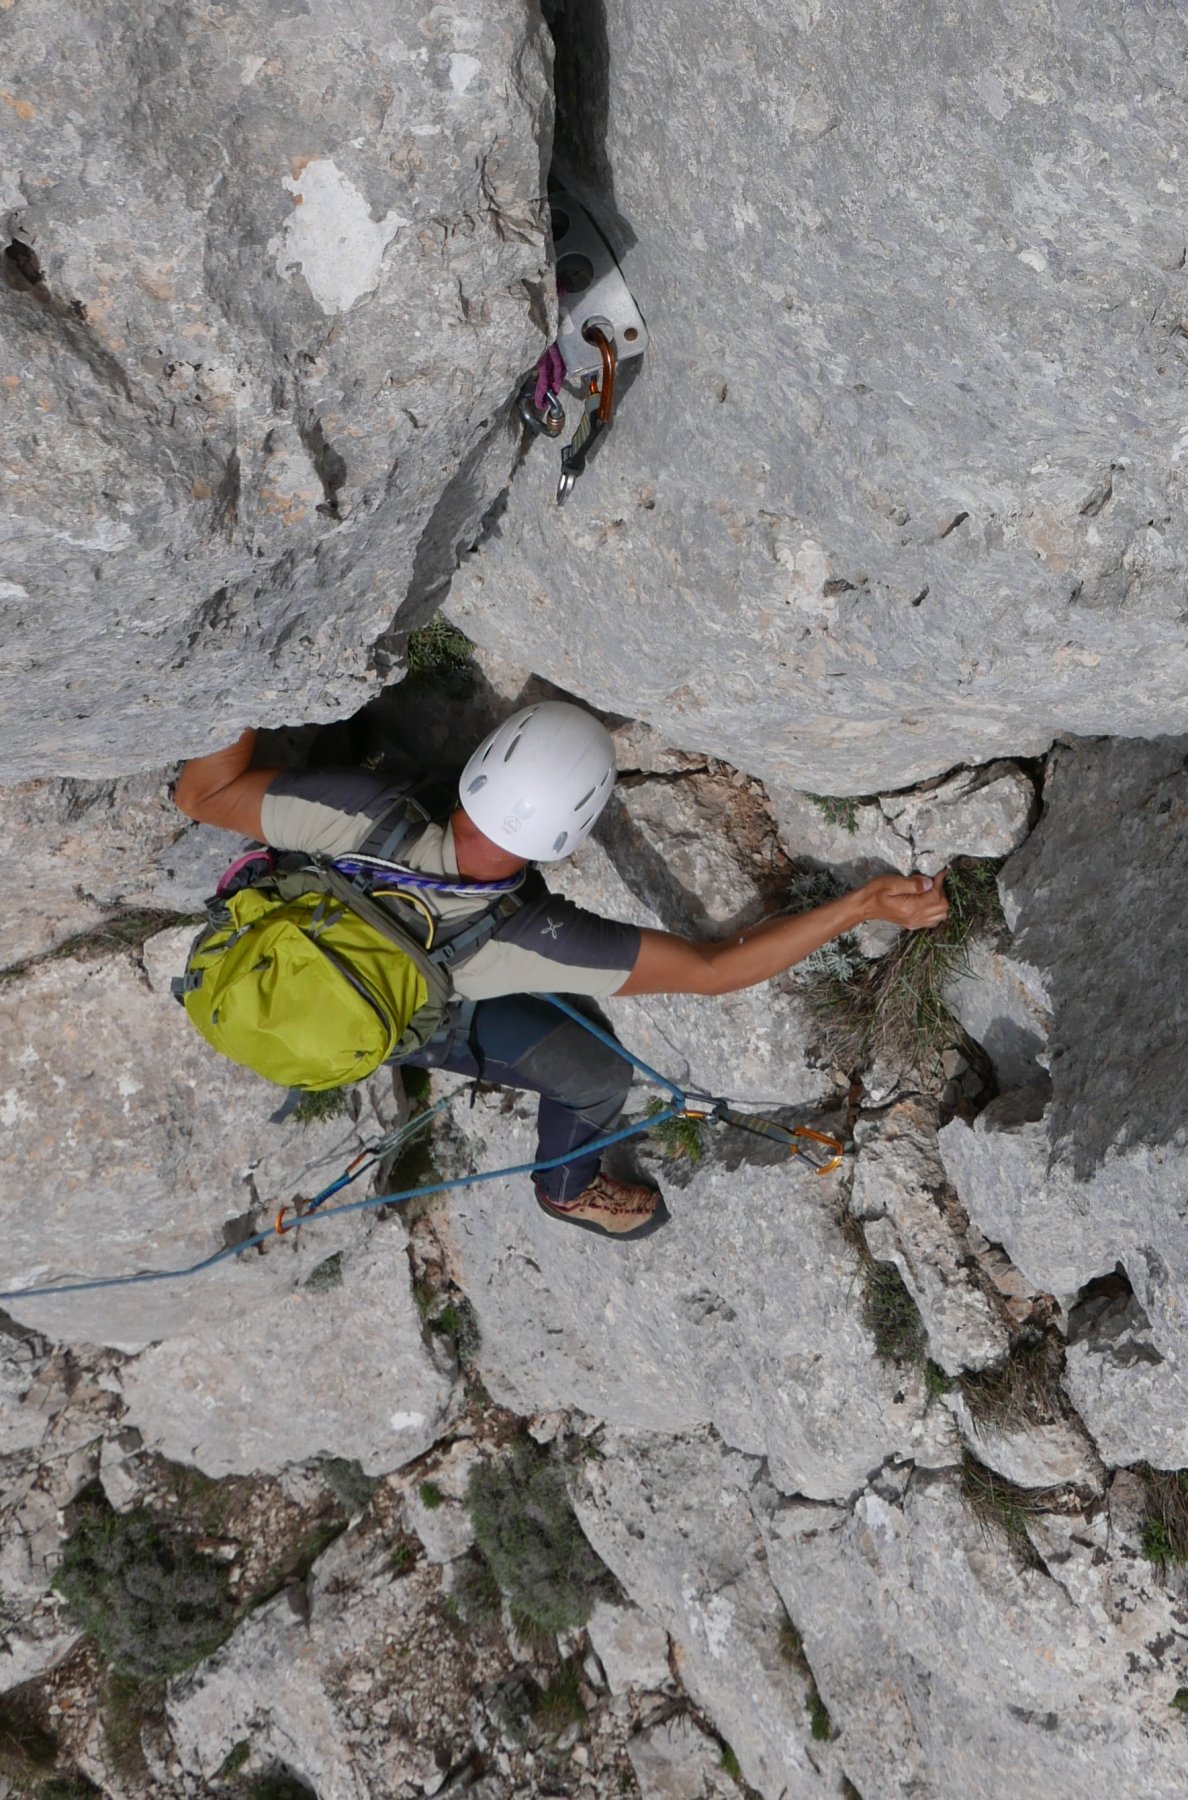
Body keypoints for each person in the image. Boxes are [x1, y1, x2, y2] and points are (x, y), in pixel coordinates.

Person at [175, 702, 948, 1241]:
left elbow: (200, 793)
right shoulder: (536, 939)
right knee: (599, 1076)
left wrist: (263, 675)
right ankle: (566, 1190)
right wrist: (861, 906)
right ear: (567, 842)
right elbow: (715, 972)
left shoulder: (359, 810)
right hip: (412, 1013)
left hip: (290, 965)